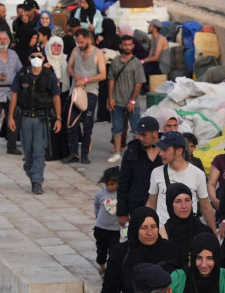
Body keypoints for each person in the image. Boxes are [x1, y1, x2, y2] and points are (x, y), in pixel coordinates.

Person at [99, 207, 183, 293]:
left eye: (153, 227)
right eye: (144, 228)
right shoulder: (120, 253)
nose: (150, 233)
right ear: (135, 229)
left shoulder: (171, 251)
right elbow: (108, 291)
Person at [8, 47, 62, 194]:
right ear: (28, 58)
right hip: (25, 118)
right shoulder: (22, 74)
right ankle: (32, 173)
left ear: (44, 58)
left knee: (39, 150)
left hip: (41, 119)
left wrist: (58, 118)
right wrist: (10, 117)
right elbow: (14, 95)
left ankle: (37, 180)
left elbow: (56, 97)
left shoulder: (49, 75)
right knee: (28, 151)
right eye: (33, 56)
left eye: (39, 56)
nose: (36, 59)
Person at [147, 131, 216, 229]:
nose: (160, 153)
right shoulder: (156, 173)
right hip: (164, 233)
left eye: (165, 150)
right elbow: (151, 204)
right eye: (160, 149)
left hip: (189, 231)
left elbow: (205, 206)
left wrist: (213, 233)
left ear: (179, 151)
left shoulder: (197, 174)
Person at [66, 27, 105, 163]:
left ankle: (84, 155)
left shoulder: (97, 53)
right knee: (72, 123)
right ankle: (73, 153)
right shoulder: (75, 51)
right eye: (78, 42)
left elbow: (102, 74)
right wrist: (76, 77)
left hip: (90, 92)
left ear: (88, 39)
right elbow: (69, 67)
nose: (80, 45)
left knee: (87, 124)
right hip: (76, 91)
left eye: (82, 42)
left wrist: (86, 80)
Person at [116, 116, 161, 227]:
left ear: (155, 133)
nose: (140, 138)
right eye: (139, 134)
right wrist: (122, 212)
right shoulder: (132, 151)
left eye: (144, 135)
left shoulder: (168, 150)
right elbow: (123, 183)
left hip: (162, 207)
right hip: (137, 207)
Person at [110, 34, 145, 154]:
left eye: (129, 44)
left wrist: (132, 101)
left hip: (132, 104)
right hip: (117, 101)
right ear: (121, 45)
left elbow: (139, 83)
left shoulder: (136, 63)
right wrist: (110, 97)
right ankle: (117, 152)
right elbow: (111, 80)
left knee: (136, 129)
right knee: (117, 128)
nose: (127, 47)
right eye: (125, 44)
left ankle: (137, 152)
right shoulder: (115, 62)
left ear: (133, 46)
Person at [161, 183, 205, 251]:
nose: (184, 206)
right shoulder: (162, 234)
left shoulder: (204, 231)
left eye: (187, 200)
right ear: (170, 205)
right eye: (178, 201)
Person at [94, 166, 121, 272]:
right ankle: (101, 268)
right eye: (107, 184)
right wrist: (96, 215)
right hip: (101, 228)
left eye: (112, 184)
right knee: (101, 249)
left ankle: (112, 269)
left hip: (114, 229)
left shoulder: (121, 195)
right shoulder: (100, 194)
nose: (110, 187)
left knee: (114, 250)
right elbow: (96, 205)